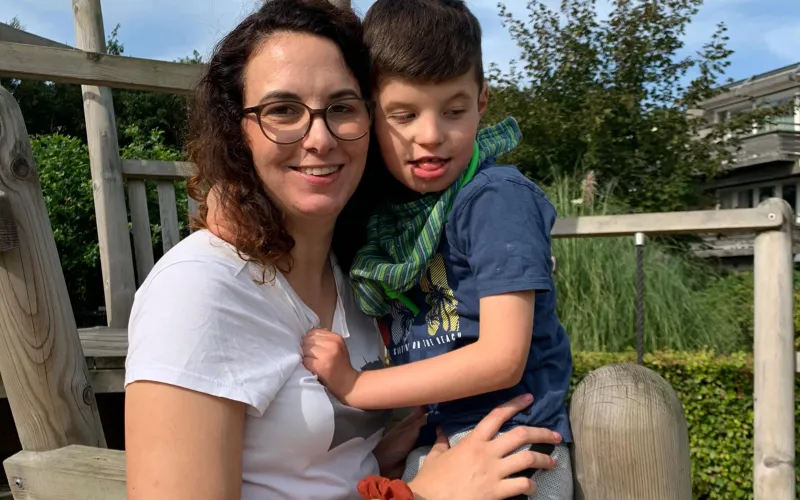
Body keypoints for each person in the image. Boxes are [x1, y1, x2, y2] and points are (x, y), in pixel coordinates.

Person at [123, 1, 563, 499]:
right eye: (282, 111)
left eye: (341, 108)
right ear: (237, 131)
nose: (319, 137)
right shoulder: (200, 292)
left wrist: (383, 458)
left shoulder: (363, 275)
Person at [300, 0, 574, 498]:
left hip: (511, 442)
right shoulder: (393, 215)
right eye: (403, 114)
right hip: (438, 434)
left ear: (482, 101)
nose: (431, 136)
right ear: (369, 113)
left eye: (454, 110)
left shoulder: (495, 199)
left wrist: (356, 385)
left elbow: (501, 358)